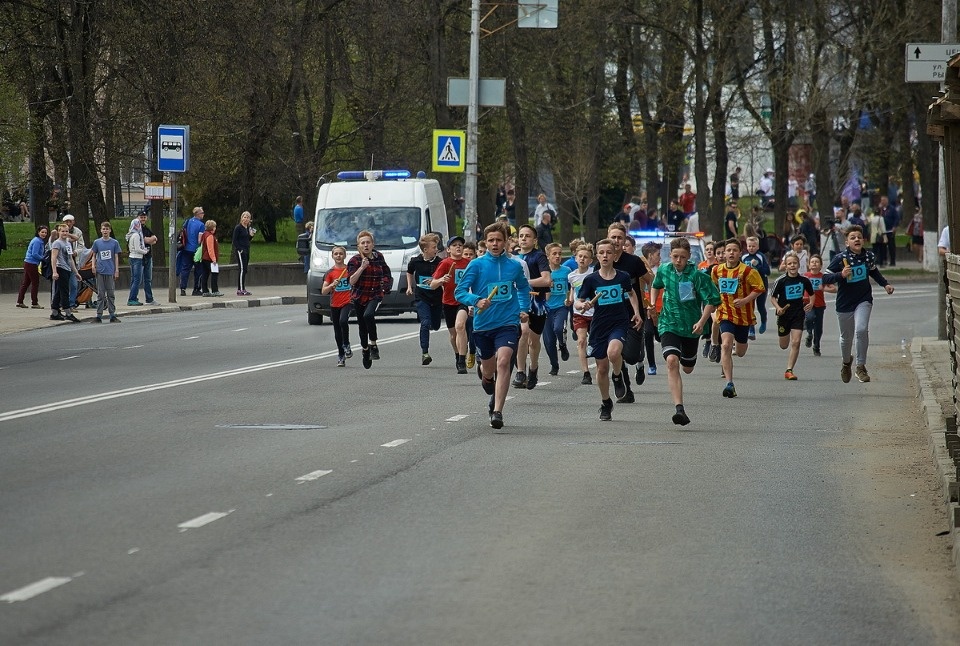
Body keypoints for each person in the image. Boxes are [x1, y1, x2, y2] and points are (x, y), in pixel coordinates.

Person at [454, 222, 531, 429]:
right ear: (485, 242)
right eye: (491, 240)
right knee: (488, 369)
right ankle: (487, 378)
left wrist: (524, 309)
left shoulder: (514, 266)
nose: (495, 244)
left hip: (508, 323)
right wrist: (476, 300)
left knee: (504, 361)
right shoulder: (477, 265)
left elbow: (523, 289)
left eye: (498, 240)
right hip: (483, 325)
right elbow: (459, 292)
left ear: (506, 242)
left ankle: (497, 411)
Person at [649, 236, 720, 425]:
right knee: (672, 361)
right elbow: (656, 286)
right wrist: (652, 305)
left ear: (688, 257)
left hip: (691, 327)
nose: (678, 261)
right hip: (669, 323)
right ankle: (679, 409)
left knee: (687, 368)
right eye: (675, 257)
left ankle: (687, 361)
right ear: (670, 256)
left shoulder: (697, 276)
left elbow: (712, 301)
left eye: (682, 257)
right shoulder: (664, 270)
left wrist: (702, 321)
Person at [576, 238, 642, 421]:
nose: (605, 256)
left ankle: (618, 375)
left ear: (614, 255)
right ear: (597, 256)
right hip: (599, 326)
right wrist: (583, 304)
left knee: (614, 353)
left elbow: (631, 293)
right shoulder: (591, 279)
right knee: (602, 368)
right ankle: (606, 402)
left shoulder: (622, 277)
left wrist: (636, 312)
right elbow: (578, 300)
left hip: (619, 323)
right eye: (601, 253)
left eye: (608, 252)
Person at [822, 225, 894, 383]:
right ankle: (846, 362)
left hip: (863, 299)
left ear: (863, 240)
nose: (857, 239)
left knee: (861, 330)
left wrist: (885, 284)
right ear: (847, 242)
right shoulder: (841, 259)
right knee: (846, 338)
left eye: (859, 237)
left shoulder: (868, 256)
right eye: (853, 237)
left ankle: (861, 367)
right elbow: (825, 278)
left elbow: (873, 271)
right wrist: (840, 274)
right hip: (845, 303)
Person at [601, 222, 652, 402]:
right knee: (615, 352)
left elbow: (651, 280)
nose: (616, 241)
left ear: (625, 240)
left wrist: (650, 301)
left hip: (633, 315)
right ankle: (625, 388)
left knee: (630, 356)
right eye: (613, 237)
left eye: (619, 238)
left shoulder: (633, 261)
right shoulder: (601, 260)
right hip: (610, 317)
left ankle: (639, 356)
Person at [711, 238, 766, 398]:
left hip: (743, 316)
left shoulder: (748, 271)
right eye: (728, 250)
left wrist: (744, 300)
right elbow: (713, 285)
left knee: (740, 351)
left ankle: (741, 344)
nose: (731, 253)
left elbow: (759, 288)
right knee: (726, 345)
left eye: (735, 250)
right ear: (724, 253)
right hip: (725, 314)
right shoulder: (717, 271)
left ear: (740, 253)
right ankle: (729, 383)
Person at [513, 224, 551, 390]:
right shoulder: (513, 259)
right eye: (521, 235)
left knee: (533, 341)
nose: (523, 238)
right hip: (519, 302)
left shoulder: (539, 257)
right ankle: (520, 372)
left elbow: (546, 280)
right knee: (523, 333)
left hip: (537, 303)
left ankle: (533, 368)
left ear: (535, 240)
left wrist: (523, 283)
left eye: (527, 236)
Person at [348, 230, 392, 369]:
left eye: (368, 242)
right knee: (362, 325)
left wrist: (385, 285)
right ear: (358, 246)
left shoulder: (378, 256)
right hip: (360, 295)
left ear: (373, 244)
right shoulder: (354, 260)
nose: (366, 245)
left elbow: (386, 273)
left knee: (369, 315)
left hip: (375, 293)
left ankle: (373, 344)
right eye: (363, 243)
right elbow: (352, 281)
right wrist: (362, 267)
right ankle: (365, 350)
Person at [770, 251, 814, 380]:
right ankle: (785, 343)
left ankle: (789, 370)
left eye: (795, 263)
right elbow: (772, 297)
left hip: (798, 314)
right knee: (784, 345)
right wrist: (778, 308)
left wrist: (811, 303)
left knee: (796, 341)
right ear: (786, 266)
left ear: (799, 265)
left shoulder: (804, 280)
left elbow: (812, 294)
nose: (792, 266)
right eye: (790, 264)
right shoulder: (781, 281)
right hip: (784, 314)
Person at [431, 236, 471, 372]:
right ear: (449, 249)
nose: (458, 247)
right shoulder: (445, 263)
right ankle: (457, 354)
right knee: (454, 335)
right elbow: (432, 285)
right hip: (448, 302)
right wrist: (442, 279)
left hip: (463, 300)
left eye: (460, 245)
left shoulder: (469, 263)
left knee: (460, 326)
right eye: (454, 245)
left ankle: (461, 360)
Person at [406, 233, 443, 366]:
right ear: (425, 249)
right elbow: (409, 272)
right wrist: (409, 287)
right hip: (422, 297)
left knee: (436, 325)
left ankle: (434, 324)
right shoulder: (416, 261)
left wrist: (437, 281)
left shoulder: (440, 262)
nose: (436, 249)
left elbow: (445, 277)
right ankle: (425, 353)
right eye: (434, 247)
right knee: (425, 322)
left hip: (437, 297)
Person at [541, 242, 572, 376]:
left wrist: (570, 299)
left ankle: (563, 344)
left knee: (558, 328)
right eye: (554, 254)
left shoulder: (566, 271)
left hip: (561, 306)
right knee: (548, 341)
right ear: (547, 256)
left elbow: (572, 288)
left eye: (559, 253)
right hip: (546, 309)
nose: (558, 256)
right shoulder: (543, 273)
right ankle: (554, 365)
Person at [567, 243, 595, 384]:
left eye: (586, 257)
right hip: (579, 313)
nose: (582, 259)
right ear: (576, 258)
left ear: (590, 260)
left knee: (596, 343)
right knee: (581, 340)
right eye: (580, 256)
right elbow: (573, 290)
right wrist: (571, 299)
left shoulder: (594, 273)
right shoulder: (571, 276)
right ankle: (586, 373)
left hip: (595, 313)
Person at [321, 245, 352, 367]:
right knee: (337, 330)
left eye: (341, 254)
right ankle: (341, 354)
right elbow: (324, 291)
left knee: (343, 321)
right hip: (335, 304)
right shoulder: (330, 273)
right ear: (332, 256)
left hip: (348, 301)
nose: (338, 256)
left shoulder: (349, 270)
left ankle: (347, 344)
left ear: (344, 256)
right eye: (336, 254)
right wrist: (331, 285)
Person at [89, 221, 122, 323]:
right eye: (103, 229)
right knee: (100, 294)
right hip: (100, 271)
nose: (105, 231)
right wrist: (93, 266)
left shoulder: (114, 243)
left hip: (110, 270)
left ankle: (112, 314)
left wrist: (116, 269)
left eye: (107, 229)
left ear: (110, 230)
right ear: (101, 230)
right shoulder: (97, 242)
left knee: (111, 293)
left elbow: (116, 256)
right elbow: (94, 255)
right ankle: (99, 315)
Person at [803, 253, 834, 357]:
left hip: (820, 304)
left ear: (821, 265)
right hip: (807, 303)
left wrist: (824, 288)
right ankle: (809, 334)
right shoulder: (805, 276)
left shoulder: (823, 277)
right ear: (809, 264)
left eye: (817, 262)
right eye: (812, 262)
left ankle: (816, 346)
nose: (814, 264)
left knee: (819, 328)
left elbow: (834, 289)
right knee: (809, 318)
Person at [50, 223, 81, 322]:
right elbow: (53, 257)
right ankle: (68, 312)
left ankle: (54, 312)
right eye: (62, 231)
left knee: (59, 291)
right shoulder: (57, 243)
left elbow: (70, 259)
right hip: (60, 268)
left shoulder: (67, 243)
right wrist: (54, 271)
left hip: (67, 269)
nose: (65, 233)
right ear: (58, 232)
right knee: (64, 291)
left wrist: (76, 272)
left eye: (66, 231)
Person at [741, 236, 771, 337]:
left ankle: (763, 321)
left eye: (753, 246)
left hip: (761, 284)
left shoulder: (761, 257)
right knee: (749, 307)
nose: (751, 248)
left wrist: (757, 265)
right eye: (749, 246)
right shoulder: (744, 257)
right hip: (749, 286)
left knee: (761, 306)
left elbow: (768, 271)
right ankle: (751, 329)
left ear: (757, 247)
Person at [640, 242, 662, 376]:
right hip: (648, 308)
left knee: (661, 337)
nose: (660, 257)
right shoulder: (642, 270)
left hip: (662, 310)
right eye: (658, 255)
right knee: (648, 334)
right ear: (650, 255)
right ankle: (652, 364)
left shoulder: (663, 269)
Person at [17, 225, 48, 309]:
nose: (44, 234)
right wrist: (43, 259)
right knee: (35, 283)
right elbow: (35, 254)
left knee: (26, 283)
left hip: (28, 262)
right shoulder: (38, 241)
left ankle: (20, 301)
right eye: (42, 232)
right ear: (38, 232)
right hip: (32, 263)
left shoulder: (37, 240)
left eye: (45, 232)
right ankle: (34, 303)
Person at [180, 206, 206, 296]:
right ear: (198, 214)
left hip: (186, 248)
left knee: (185, 269)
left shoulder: (188, 221)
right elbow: (200, 240)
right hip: (196, 250)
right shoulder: (201, 225)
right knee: (198, 270)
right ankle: (196, 289)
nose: (203, 214)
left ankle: (182, 288)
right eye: (202, 213)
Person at [60, 214, 85, 308]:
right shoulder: (61, 231)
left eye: (70, 221)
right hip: (63, 262)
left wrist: (76, 252)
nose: (68, 223)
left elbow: (81, 244)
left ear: (73, 222)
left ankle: (71, 303)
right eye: (66, 222)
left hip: (74, 260)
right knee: (64, 286)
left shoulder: (77, 231)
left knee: (74, 285)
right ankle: (62, 303)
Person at [125, 217, 148, 306]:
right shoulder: (136, 235)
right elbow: (137, 249)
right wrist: (145, 251)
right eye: (138, 224)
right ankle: (132, 298)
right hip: (136, 258)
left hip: (133, 257)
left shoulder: (132, 235)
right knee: (137, 279)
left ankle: (133, 297)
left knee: (134, 279)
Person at [138, 211, 159, 305]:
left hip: (148, 256)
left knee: (148, 279)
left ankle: (149, 299)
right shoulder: (137, 229)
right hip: (139, 257)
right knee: (137, 279)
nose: (143, 219)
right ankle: (133, 298)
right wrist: (150, 240)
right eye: (141, 217)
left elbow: (155, 239)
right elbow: (144, 240)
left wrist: (150, 240)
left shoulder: (146, 228)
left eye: (144, 217)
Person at [233, 211, 256, 295]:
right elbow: (234, 240)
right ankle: (241, 289)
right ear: (241, 218)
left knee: (245, 269)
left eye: (247, 217)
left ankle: (242, 287)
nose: (246, 219)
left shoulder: (247, 228)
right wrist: (239, 249)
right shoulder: (238, 228)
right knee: (242, 269)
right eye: (244, 217)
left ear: (250, 219)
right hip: (241, 250)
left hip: (246, 249)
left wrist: (251, 235)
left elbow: (247, 239)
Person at [199, 219, 222, 297]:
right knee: (214, 273)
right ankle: (215, 290)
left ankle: (205, 290)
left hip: (204, 258)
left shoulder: (205, 234)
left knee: (205, 274)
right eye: (214, 227)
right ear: (212, 228)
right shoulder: (210, 236)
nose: (215, 228)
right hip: (209, 258)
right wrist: (214, 259)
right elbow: (210, 248)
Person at [877, 196, 900, 267]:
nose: (883, 202)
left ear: (887, 201)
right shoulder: (880, 209)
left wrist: (894, 226)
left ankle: (892, 261)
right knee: (883, 247)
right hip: (883, 231)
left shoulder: (892, 209)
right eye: (882, 200)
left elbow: (897, 218)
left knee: (891, 246)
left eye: (884, 200)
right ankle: (884, 260)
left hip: (890, 230)